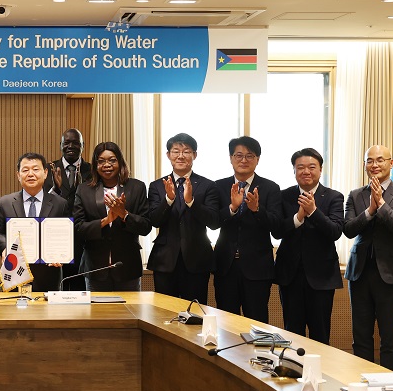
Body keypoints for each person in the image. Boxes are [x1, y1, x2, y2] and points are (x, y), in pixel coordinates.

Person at [343, 145, 393, 371]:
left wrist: (381, 205)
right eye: (369, 161)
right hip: (360, 273)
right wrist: (369, 211)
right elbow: (348, 229)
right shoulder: (356, 195)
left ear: (391, 163)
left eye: (380, 160)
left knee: (390, 338)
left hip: (391, 273)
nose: (374, 165)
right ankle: (362, 382)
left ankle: (389, 385)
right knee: (361, 336)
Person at [271, 148, 344, 344]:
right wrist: (298, 217)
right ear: (294, 170)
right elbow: (277, 231)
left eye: (312, 167)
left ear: (320, 170)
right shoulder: (284, 195)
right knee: (292, 332)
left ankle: (320, 373)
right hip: (290, 275)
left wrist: (313, 211)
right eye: (300, 167)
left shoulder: (333, 197)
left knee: (320, 334)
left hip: (321, 276)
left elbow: (335, 231)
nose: (306, 171)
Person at [147, 133, 220, 303]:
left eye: (186, 151)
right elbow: (154, 221)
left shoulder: (208, 185)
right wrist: (169, 199)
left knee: (195, 314)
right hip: (165, 260)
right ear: (168, 155)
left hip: (197, 260)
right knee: (164, 314)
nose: (180, 156)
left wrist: (191, 202)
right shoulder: (157, 186)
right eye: (175, 151)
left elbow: (214, 222)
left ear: (194, 155)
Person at [214, 136, 280, 322]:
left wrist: (257, 210)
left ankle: (257, 353)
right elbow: (213, 222)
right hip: (226, 267)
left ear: (258, 159)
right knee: (226, 323)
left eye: (249, 156)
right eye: (239, 155)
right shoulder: (218, 187)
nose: (243, 160)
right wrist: (232, 208)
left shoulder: (270, 188)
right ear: (230, 158)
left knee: (257, 322)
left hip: (257, 269)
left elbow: (277, 227)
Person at [73, 142, 151, 291]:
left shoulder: (137, 187)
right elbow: (78, 229)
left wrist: (124, 214)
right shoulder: (84, 190)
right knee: (96, 314)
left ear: (120, 162)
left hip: (127, 268)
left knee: (130, 314)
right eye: (101, 161)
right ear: (95, 165)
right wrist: (105, 221)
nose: (106, 164)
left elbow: (146, 227)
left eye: (112, 160)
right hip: (95, 269)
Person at [0, 153, 71, 292]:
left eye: (36, 169)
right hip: (15, 272)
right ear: (18, 175)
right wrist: (5, 248)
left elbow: (66, 235)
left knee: (49, 313)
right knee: (14, 312)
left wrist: (61, 254)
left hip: (49, 274)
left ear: (45, 173)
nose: (30, 174)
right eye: (25, 170)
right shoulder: (5, 203)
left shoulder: (60, 204)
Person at [44, 128, 93, 290]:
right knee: (56, 291)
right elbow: (43, 206)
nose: (71, 146)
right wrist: (56, 191)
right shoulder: (47, 170)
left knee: (81, 294)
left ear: (83, 146)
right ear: (60, 145)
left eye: (76, 143)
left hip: (85, 243)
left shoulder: (93, 171)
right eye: (67, 143)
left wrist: (81, 189)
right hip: (55, 241)